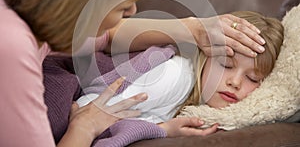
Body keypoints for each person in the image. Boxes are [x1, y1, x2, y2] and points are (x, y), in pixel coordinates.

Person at [0, 0, 266, 147]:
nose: (133, 11)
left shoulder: (27, 17)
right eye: (123, 5)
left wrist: (194, 29)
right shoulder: (11, 45)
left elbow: (109, 36)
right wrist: (84, 127)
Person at [77, 11, 284, 131]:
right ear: (205, 57)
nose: (235, 82)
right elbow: (86, 110)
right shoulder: (172, 76)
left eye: (253, 78)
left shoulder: (203, 108)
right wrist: (159, 129)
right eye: (226, 65)